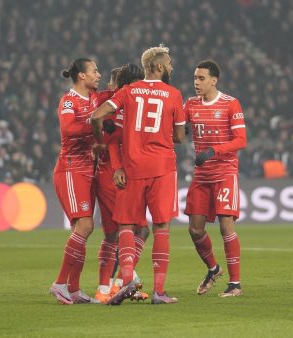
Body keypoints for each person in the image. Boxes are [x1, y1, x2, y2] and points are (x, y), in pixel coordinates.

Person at [90, 45, 186, 305]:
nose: (171, 67)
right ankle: (159, 292)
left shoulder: (128, 91)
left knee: (126, 225)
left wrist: (100, 143)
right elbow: (179, 137)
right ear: (158, 67)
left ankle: (127, 278)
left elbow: (96, 116)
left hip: (132, 168)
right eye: (168, 63)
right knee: (161, 226)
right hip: (162, 168)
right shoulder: (174, 94)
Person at [184, 60, 247, 297]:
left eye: (201, 78)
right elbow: (177, 125)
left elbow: (241, 140)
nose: (196, 83)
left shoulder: (230, 104)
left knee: (225, 224)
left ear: (214, 80)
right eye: (194, 78)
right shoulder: (190, 104)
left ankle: (235, 284)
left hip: (225, 172)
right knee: (195, 230)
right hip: (202, 176)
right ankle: (213, 268)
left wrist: (214, 150)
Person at [94, 64, 149, 303]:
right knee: (124, 231)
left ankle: (113, 285)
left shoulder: (131, 106)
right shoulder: (111, 105)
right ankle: (113, 285)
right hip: (112, 175)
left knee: (124, 232)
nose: (109, 86)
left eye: (113, 82)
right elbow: (99, 117)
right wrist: (100, 139)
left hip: (123, 174)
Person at [50, 58, 102, 305]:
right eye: (94, 71)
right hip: (71, 170)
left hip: (87, 170)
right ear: (82, 75)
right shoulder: (68, 101)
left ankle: (74, 288)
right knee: (85, 226)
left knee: (82, 230)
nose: (98, 75)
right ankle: (60, 283)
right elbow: (68, 129)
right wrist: (95, 122)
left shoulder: (93, 97)